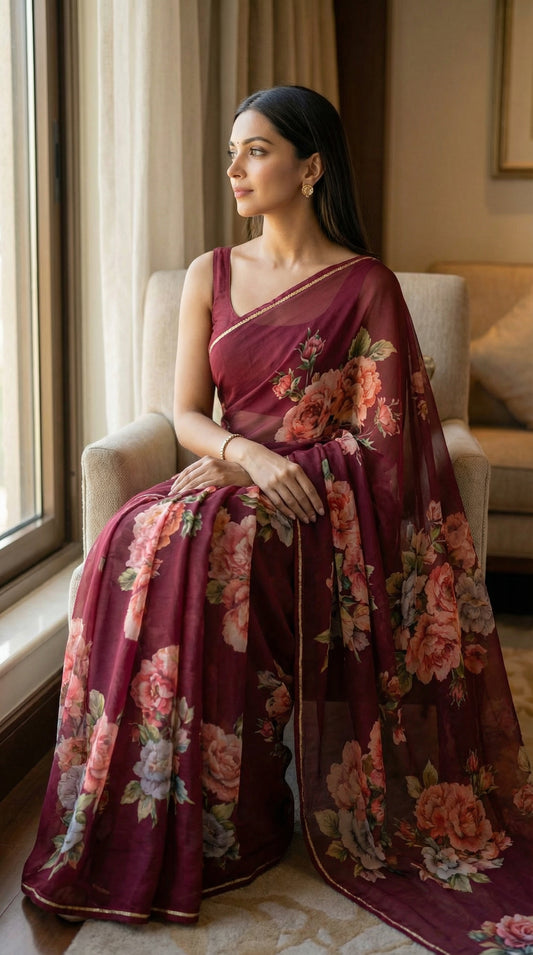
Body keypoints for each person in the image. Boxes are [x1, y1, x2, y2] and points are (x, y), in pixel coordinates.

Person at [22, 86, 533, 954]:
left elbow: (386, 438)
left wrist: (292, 471)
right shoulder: (208, 273)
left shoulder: (365, 285)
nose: (234, 170)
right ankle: (163, 814)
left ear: (310, 165)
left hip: (316, 507)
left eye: (254, 151)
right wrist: (248, 459)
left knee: (220, 547)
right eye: (232, 151)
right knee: (134, 539)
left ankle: (242, 810)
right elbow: (185, 414)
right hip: (229, 476)